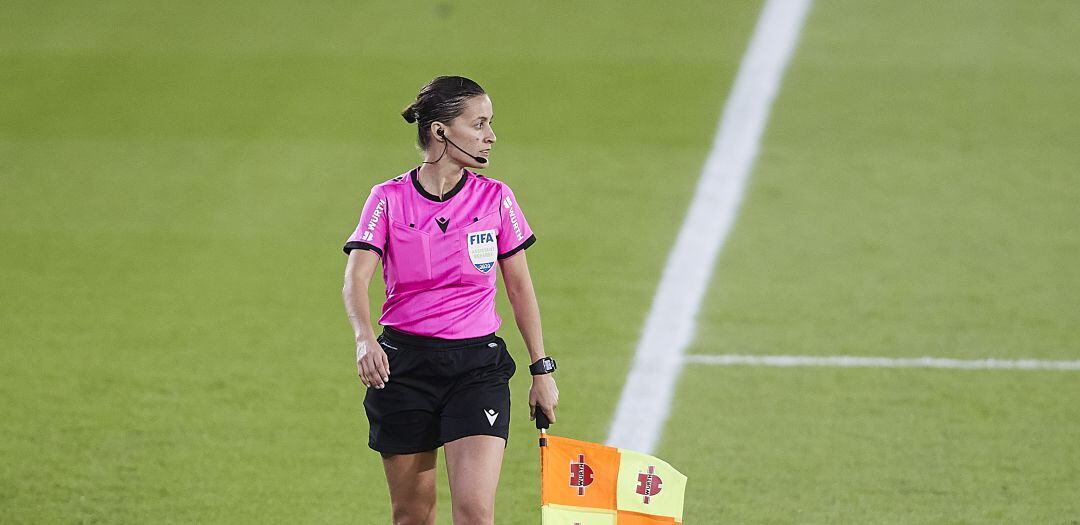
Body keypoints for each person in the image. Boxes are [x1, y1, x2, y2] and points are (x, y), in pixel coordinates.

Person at [341, 76, 559, 525]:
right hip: (404, 369)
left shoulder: (497, 199)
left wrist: (541, 370)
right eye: (479, 124)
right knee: (412, 517)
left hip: (476, 369)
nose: (491, 136)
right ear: (440, 131)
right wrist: (365, 339)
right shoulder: (388, 199)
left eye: (490, 124)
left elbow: (520, 288)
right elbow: (356, 279)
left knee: (476, 513)